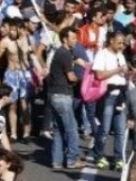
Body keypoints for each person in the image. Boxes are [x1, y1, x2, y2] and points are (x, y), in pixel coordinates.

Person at [47, 27, 86, 170]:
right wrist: (81, 78)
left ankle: (56, 161)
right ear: (65, 39)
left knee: (59, 129)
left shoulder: (62, 53)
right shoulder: (64, 54)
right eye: (73, 38)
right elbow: (70, 77)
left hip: (54, 95)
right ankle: (72, 160)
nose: (75, 41)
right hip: (63, 95)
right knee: (72, 129)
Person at [93, 31, 130, 171]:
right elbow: (99, 75)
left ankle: (118, 158)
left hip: (121, 94)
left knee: (120, 129)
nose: (122, 46)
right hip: (107, 94)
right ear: (111, 41)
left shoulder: (121, 56)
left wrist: (127, 73)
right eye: (119, 42)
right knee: (105, 128)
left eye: (123, 43)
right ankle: (99, 155)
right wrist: (118, 70)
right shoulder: (102, 54)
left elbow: (123, 73)